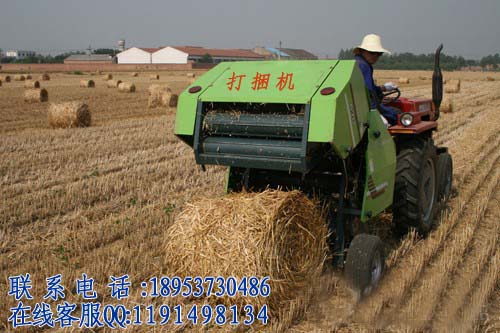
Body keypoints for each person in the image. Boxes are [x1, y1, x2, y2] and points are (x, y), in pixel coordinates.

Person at [353, 34, 399, 126]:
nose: (375, 56)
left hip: (359, 107)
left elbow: (366, 89)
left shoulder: (356, 63)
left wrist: (383, 88)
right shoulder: (364, 66)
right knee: (397, 115)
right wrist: (376, 114)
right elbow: (369, 94)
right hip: (366, 108)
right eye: (372, 52)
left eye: (379, 54)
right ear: (362, 51)